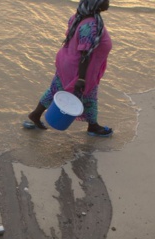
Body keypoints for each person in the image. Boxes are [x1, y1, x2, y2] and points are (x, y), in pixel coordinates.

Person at [25, 0, 113, 137]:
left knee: (56, 88)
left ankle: (35, 114)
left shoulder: (79, 17)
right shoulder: (91, 26)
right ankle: (93, 126)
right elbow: (85, 53)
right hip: (79, 67)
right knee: (89, 95)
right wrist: (82, 78)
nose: (108, 3)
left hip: (67, 61)